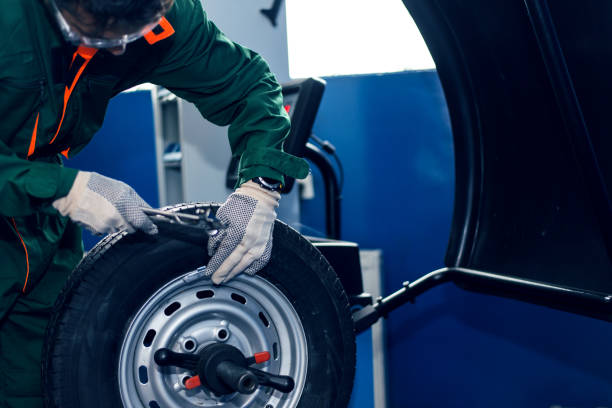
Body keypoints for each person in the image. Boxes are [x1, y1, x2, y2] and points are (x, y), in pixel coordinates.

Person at [0, 0, 309, 405]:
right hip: (28, 193)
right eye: (91, 35)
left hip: (40, 231)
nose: (116, 52)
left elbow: (248, 84)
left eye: (131, 34)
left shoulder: (164, 14)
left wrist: (260, 187)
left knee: (44, 386)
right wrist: (61, 187)